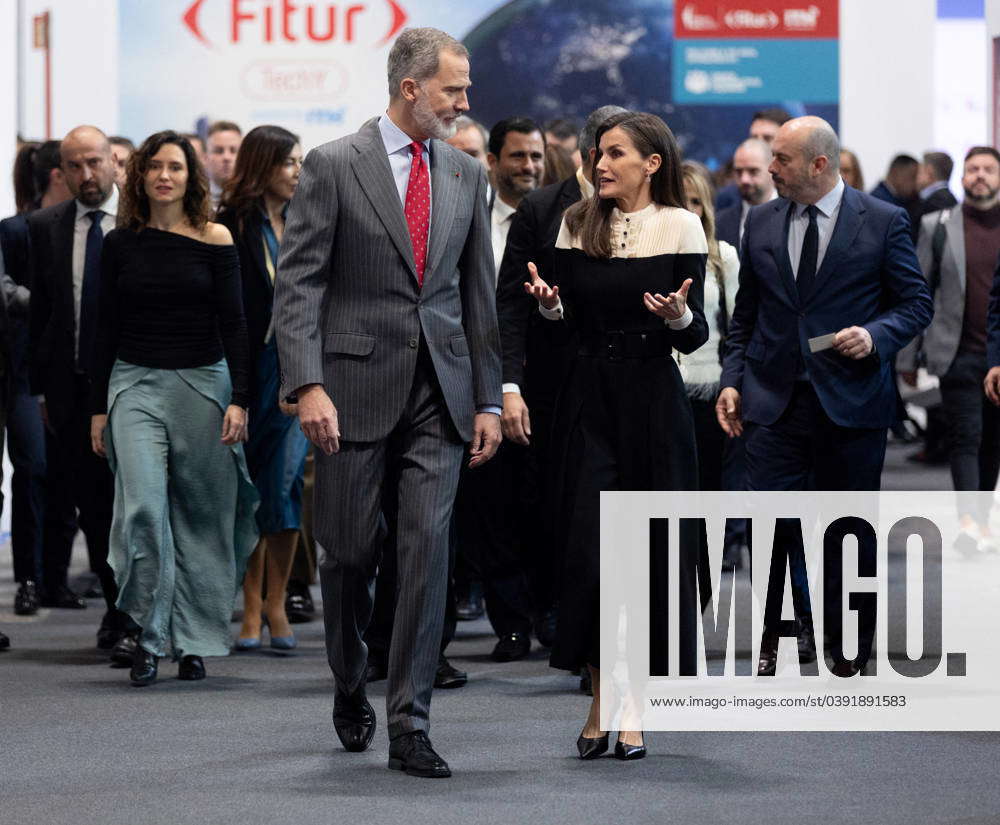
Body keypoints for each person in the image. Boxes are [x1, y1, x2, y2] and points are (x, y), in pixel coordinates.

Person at [273, 27, 502, 778]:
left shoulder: (468, 175)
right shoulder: (335, 165)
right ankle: (349, 678)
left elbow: (479, 301)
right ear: (411, 88)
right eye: (454, 89)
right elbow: (299, 284)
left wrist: (490, 401)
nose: (466, 102)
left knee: (427, 555)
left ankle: (410, 719)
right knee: (346, 556)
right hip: (349, 393)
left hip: (441, 393)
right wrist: (306, 385)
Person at [716, 116, 933, 677]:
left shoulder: (882, 221)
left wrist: (876, 336)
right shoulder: (761, 222)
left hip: (852, 403)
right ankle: (779, 637)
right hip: (772, 402)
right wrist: (732, 381)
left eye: (781, 160)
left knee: (849, 529)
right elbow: (747, 317)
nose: (771, 169)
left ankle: (850, 643)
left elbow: (914, 303)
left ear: (818, 164)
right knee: (774, 529)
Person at [525, 111, 709, 760]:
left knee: (648, 559)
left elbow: (695, 335)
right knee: (591, 555)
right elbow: (564, 326)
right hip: (589, 404)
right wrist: (550, 305)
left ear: (652, 162)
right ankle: (600, 698)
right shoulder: (577, 223)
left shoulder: (682, 224)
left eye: (614, 154)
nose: (599, 164)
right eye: (597, 154)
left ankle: (632, 705)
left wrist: (681, 314)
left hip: (654, 407)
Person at [89, 130, 258, 686]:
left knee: (201, 517)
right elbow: (102, 326)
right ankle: (149, 633)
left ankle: (196, 638)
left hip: (204, 386)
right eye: (155, 166)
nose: (165, 175)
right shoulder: (119, 241)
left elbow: (236, 324)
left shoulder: (216, 238)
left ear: (192, 177)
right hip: (133, 383)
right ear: (138, 176)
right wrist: (97, 408)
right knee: (142, 509)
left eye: (176, 167)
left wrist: (241, 399)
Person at [496, 103, 626, 691]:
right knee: (551, 510)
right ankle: (558, 620)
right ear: (584, 152)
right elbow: (510, 304)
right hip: (549, 389)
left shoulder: (648, 213)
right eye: (604, 149)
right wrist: (510, 386)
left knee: (611, 516)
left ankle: (603, 640)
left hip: (625, 387)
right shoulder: (541, 209)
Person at [26, 126, 134, 661]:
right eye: (75, 166)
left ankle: (139, 612)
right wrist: (41, 390)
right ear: (61, 172)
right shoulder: (45, 227)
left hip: (134, 386)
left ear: (114, 162)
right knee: (92, 506)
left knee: (134, 505)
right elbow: (43, 315)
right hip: (69, 389)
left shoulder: (140, 222)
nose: (87, 175)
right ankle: (117, 611)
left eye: (95, 162)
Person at [215, 125, 309, 651]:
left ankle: (278, 602)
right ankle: (249, 604)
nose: (298, 171)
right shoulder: (230, 223)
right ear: (263, 165)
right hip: (248, 371)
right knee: (249, 489)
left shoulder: (307, 220)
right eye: (289, 162)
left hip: (298, 371)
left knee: (286, 483)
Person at [902, 147, 1000, 552]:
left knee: (992, 441)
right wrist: (908, 356)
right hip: (955, 350)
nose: (979, 176)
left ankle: (981, 518)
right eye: (972, 169)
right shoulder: (937, 225)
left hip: (997, 354)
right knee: (965, 436)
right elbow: (918, 292)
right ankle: (968, 521)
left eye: (988, 169)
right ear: (961, 177)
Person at [0, 139, 69, 618]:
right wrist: (51, 303)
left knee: (62, 474)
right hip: (19, 370)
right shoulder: (14, 231)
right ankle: (28, 576)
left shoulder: (80, 230)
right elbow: (6, 294)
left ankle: (53, 579)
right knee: (33, 470)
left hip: (61, 368)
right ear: (56, 175)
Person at [679, 162, 739, 491]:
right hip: (662, 386)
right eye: (680, 200)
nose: (688, 210)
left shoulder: (723, 257)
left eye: (695, 201)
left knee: (708, 483)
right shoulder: (652, 254)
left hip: (709, 386)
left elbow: (739, 324)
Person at [716, 108, 792, 211]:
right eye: (754, 137)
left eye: (767, 138)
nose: (758, 143)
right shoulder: (726, 200)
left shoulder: (800, 196)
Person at [715, 138, 776, 249]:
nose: (744, 179)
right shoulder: (719, 223)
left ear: (772, 169)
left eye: (753, 171)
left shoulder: (794, 215)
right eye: (738, 172)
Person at [205, 121, 242, 209]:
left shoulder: (256, 200)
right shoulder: (193, 200)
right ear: (206, 158)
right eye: (218, 151)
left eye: (233, 150)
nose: (226, 157)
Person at [917, 151, 958, 216]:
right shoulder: (949, 199)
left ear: (929, 171)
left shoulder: (934, 203)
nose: (917, 177)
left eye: (919, 171)